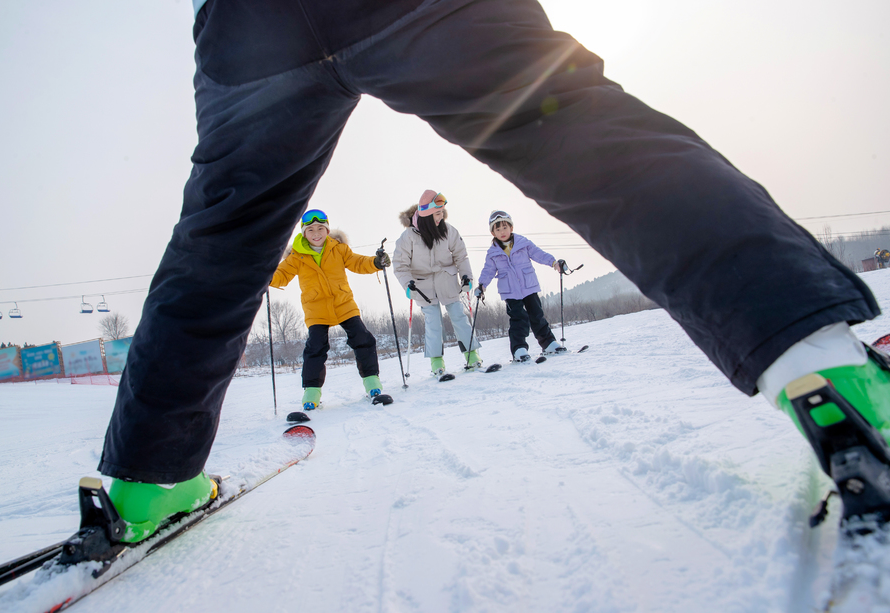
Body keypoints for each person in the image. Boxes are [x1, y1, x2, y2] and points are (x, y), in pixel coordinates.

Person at [96, 0, 888, 544]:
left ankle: (148, 479)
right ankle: (820, 363)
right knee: (573, 127)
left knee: (221, 234)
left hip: (247, 27)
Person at [269, 209, 390, 411]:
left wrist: (375, 262)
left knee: (363, 338)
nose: (316, 233)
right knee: (315, 348)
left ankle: (372, 384)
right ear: (304, 233)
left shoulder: (338, 249)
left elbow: (358, 262)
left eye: (320, 228)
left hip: (343, 304)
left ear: (327, 230)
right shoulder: (296, 257)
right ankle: (311, 393)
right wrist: (264, 273)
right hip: (316, 309)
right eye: (311, 230)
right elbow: (281, 276)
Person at [393, 190, 481, 377]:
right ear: (426, 215)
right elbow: (400, 265)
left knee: (458, 316)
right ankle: (437, 362)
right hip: (422, 287)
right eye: (437, 213)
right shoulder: (408, 237)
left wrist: (466, 277)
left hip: (446, 280)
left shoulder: (448, 230)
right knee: (433, 322)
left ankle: (472, 355)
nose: (441, 217)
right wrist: (408, 285)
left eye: (442, 212)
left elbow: (461, 255)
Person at [476, 210, 565, 362]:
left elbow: (538, 254)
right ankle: (519, 349)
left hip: (528, 286)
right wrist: (482, 285)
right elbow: (488, 271)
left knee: (537, 315)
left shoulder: (523, 243)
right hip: (510, 291)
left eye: (505, 227)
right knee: (518, 319)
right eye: (498, 229)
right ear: (493, 233)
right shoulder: (493, 253)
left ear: (511, 227)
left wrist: (553, 262)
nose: (502, 232)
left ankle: (548, 343)